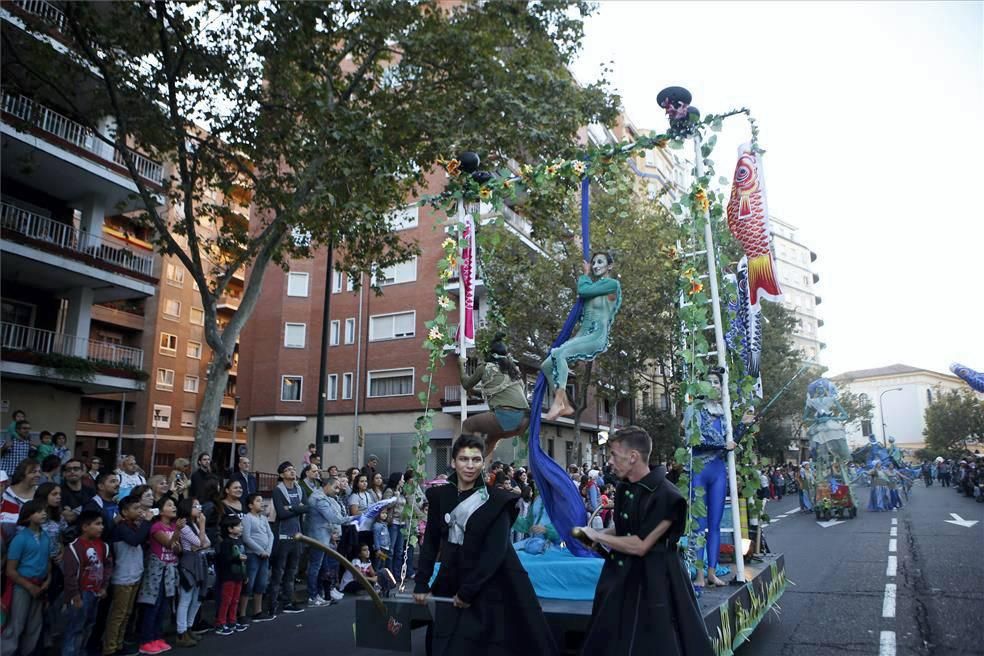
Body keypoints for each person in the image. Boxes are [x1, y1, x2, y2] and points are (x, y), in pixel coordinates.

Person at [413, 434, 557, 656]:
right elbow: (431, 541)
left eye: (476, 459)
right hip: (450, 581)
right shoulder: (439, 496)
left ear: (483, 462)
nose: (470, 466)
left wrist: (468, 591)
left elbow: (496, 551)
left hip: (488, 586)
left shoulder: (497, 500)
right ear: (453, 462)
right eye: (464, 459)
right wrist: (421, 582)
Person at [577, 426, 713, 656]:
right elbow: (622, 529)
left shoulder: (668, 496)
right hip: (622, 577)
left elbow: (641, 545)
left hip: (657, 582)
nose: (609, 461)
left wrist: (597, 536)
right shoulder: (623, 489)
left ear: (633, 457)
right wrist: (586, 533)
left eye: (613, 455)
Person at [684, 369, 754, 588]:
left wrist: (742, 425)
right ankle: (699, 575)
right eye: (710, 382)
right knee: (698, 525)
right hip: (699, 470)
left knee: (715, 525)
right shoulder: (693, 410)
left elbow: (728, 445)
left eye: (717, 383)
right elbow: (694, 442)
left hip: (718, 471)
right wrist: (722, 445)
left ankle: (712, 572)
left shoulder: (723, 413)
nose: (714, 386)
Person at [541, 252, 622, 421]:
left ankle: (557, 403)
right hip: (583, 334)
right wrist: (577, 248)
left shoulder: (612, 285)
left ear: (610, 266)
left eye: (600, 262)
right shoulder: (595, 288)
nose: (595, 266)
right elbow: (585, 291)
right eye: (593, 263)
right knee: (547, 365)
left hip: (596, 334)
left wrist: (584, 275)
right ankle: (564, 404)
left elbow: (583, 290)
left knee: (560, 353)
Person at [457, 332, 531, 457]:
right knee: (492, 438)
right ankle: (478, 466)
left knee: (467, 425)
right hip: (524, 421)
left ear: (489, 354)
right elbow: (499, 391)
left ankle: (466, 461)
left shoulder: (486, 367)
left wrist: (460, 365)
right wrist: (475, 392)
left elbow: (466, 384)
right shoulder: (514, 370)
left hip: (506, 417)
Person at [2, 499, 52, 656]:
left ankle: (27, 652)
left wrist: (48, 580)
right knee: (17, 624)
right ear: (28, 516)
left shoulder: (46, 537)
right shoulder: (20, 539)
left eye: (44, 510)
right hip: (22, 587)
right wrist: (30, 586)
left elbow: (48, 562)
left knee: (34, 625)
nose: (43, 513)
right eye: (38, 511)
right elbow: (11, 570)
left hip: (39, 585)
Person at [103, 496, 150, 656]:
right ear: (124, 512)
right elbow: (134, 541)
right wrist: (146, 522)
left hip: (135, 573)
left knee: (128, 612)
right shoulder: (121, 527)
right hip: (122, 576)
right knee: (118, 614)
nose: (140, 512)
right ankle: (109, 648)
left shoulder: (135, 526)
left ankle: (119, 643)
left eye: (140, 508)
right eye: (135, 508)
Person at [62, 510, 113, 656]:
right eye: (97, 524)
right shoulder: (74, 547)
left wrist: (104, 587)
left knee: (89, 625)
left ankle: (82, 651)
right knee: (75, 627)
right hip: (81, 593)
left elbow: (108, 566)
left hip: (95, 592)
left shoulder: (103, 546)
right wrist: (75, 595)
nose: (101, 527)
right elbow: (70, 575)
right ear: (85, 527)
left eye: (102, 524)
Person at [137, 497, 184, 654]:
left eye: (174, 504)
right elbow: (170, 544)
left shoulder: (171, 526)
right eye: (169, 505)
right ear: (161, 510)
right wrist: (177, 532)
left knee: (163, 606)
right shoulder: (156, 526)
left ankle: (157, 637)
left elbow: (178, 549)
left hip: (170, 569)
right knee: (152, 605)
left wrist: (175, 533)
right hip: (157, 570)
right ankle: (146, 639)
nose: (174, 507)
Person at [267, 461, 307, 615]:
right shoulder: (278, 490)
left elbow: (307, 508)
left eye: (293, 469)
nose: (292, 471)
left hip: (297, 536)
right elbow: (281, 514)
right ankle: (272, 604)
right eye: (288, 470)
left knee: (292, 572)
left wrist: (291, 508)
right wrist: (298, 508)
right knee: (279, 572)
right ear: (281, 474)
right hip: (283, 537)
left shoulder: (299, 489)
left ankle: (288, 601)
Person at [305, 476, 347, 607]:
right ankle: (312, 596)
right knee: (315, 568)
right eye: (335, 487)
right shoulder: (319, 498)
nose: (337, 491)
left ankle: (318, 594)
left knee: (322, 568)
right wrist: (354, 518)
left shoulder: (325, 497)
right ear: (327, 485)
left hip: (323, 538)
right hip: (317, 539)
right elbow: (334, 518)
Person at [175, 497, 211, 647]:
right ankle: (181, 631)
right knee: (186, 598)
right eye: (195, 505)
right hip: (188, 563)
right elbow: (199, 542)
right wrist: (202, 526)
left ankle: (189, 627)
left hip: (199, 561)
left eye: (199, 504)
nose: (199, 507)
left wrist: (200, 541)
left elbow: (207, 543)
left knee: (197, 598)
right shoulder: (184, 526)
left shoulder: (194, 525)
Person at [241, 493, 275, 622]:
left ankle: (258, 611)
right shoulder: (247, 518)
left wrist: (268, 550)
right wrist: (260, 551)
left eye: (262, 501)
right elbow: (246, 538)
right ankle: (242, 614)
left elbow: (270, 535)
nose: (262, 503)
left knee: (261, 583)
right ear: (250, 505)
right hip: (252, 555)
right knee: (249, 584)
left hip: (265, 555)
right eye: (258, 501)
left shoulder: (263, 518)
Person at [214, 516, 249, 635]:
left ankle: (232, 621)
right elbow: (224, 559)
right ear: (230, 528)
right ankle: (220, 623)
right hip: (228, 576)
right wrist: (237, 557)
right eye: (238, 526)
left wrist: (245, 575)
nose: (241, 527)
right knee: (226, 600)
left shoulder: (239, 541)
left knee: (235, 600)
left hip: (239, 575)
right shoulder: (225, 543)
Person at [2, 458, 41, 542]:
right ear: (22, 474)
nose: (38, 475)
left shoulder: (41, 493)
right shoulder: (5, 494)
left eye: (39, 472)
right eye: (33, 472)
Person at [84, 472, 121, 540]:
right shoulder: (92, 506)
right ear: (101, 486)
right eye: (113, 481)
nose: (117, 484)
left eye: (117, 481)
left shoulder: (116, 503)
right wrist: (115, 521)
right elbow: (91, 533)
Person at [372, 507, 392, 573]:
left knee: (382, 564)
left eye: (386, 513)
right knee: (378, 564)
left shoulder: (384, 524)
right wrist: (378, 549)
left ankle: (381, 579)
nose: (385, 515)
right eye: (382, 513)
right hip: (380, 548)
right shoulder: (377, 525)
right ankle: (376, 579)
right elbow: (376, 538)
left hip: (385, 548)